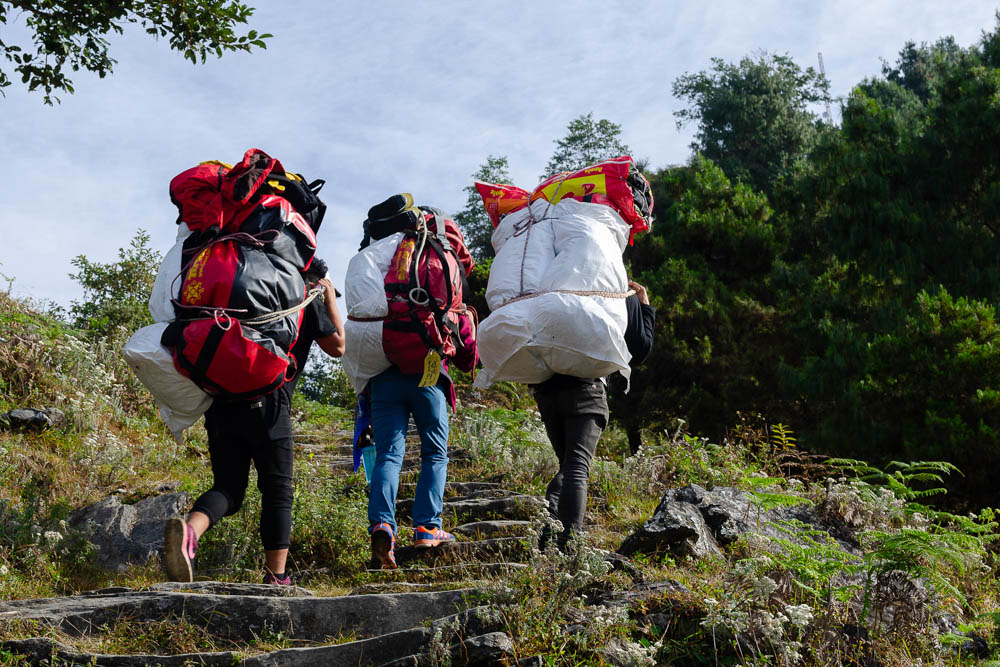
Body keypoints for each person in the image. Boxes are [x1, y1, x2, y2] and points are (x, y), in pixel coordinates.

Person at [163, 258, 346, 584]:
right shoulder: (300, 293)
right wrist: (327, 297)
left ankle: (190, 534)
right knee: (277, 490)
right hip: (269, 403)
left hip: (220, 400)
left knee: (228, 488)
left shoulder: (249, 290)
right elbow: (338, 347)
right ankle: (277, 578)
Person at [354, 195, 477, 570]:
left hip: (384, 373)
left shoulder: (375, 259)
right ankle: (427, 527)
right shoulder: (435, 255)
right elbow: (461, 322)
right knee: (434, 452)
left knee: (390, 453)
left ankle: (383, 526)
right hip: (429, 371)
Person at [533, 280, 655, 552]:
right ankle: (568, 548)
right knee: (576, 466)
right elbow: (641, 349)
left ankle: (548, 532)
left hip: (547, 388)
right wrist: (644, 306)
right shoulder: (617, 289)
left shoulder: (556, 278)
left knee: (568, 464)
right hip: (586, 389)